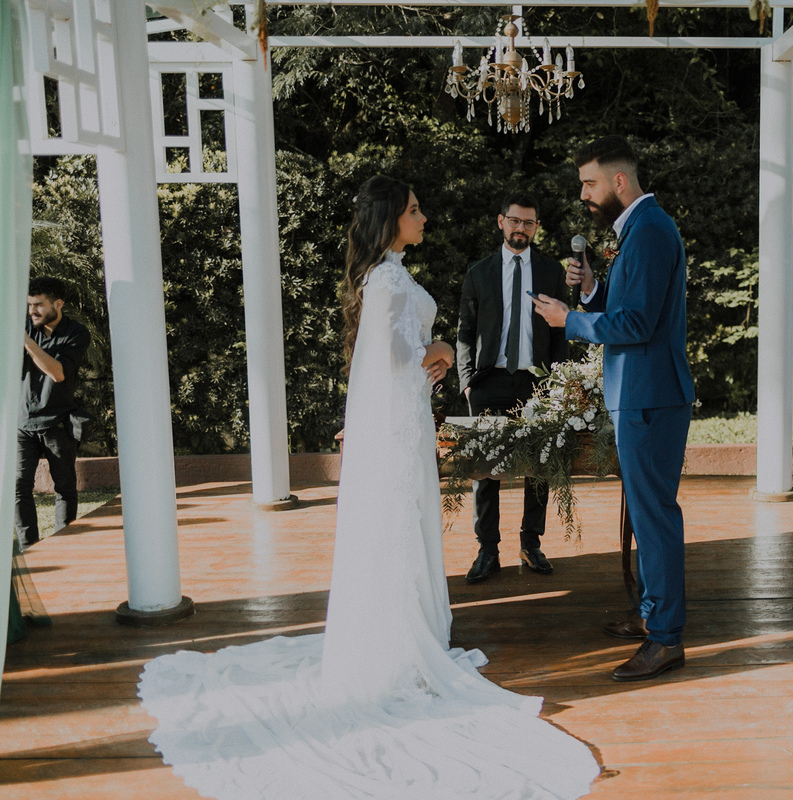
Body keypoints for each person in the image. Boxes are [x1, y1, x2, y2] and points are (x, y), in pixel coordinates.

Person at [137, 176, 599, 798]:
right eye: (414, 210)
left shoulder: (391, 273)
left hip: (409, 418)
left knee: (406, 522)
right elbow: (388, 366)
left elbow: (395, 359)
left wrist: (432, 358)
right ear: (389, 219)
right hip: (399, 423)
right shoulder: (384, 280)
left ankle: (413, 628)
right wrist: (440, 349)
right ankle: (396, 644)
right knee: (397, 525)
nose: (423, 217)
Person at [533, 135, 695, 682]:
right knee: (647, 515)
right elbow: (631, 305)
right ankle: (651, 612)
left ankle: (666, 638)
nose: (584, 194)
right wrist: (592, 289)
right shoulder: (639, 228)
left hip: (649, 395)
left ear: (618, 181)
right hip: (641, 393)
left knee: (655, 518)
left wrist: (569, 321)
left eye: (590, 183)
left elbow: (639, 324)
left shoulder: (648, 231)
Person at [457, 192, 570, 583]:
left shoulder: (551, 271)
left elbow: (561, 332)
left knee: (540, 465)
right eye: (515, 220)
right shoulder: (479, 272)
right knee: (485, 469)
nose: (521, 228)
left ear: (536, 227)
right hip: (488, 381)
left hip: (536, 381)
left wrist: (558, 382)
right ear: (501, 221)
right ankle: (487, 550)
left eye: (529, 222)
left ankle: (530, 543)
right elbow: (465, 331)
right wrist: (467, 382)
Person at [15, 276, 91, 550]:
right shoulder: (24, 326)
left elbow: (58, 373)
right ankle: (29, 548)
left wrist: (25, 342)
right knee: (17, 487)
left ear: (58, 304)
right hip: (22, 422)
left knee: (65, 488)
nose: (32, 311)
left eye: (38, 305)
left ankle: (63, 546)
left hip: (58, 423)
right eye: (29, 305)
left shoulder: (76, 333)